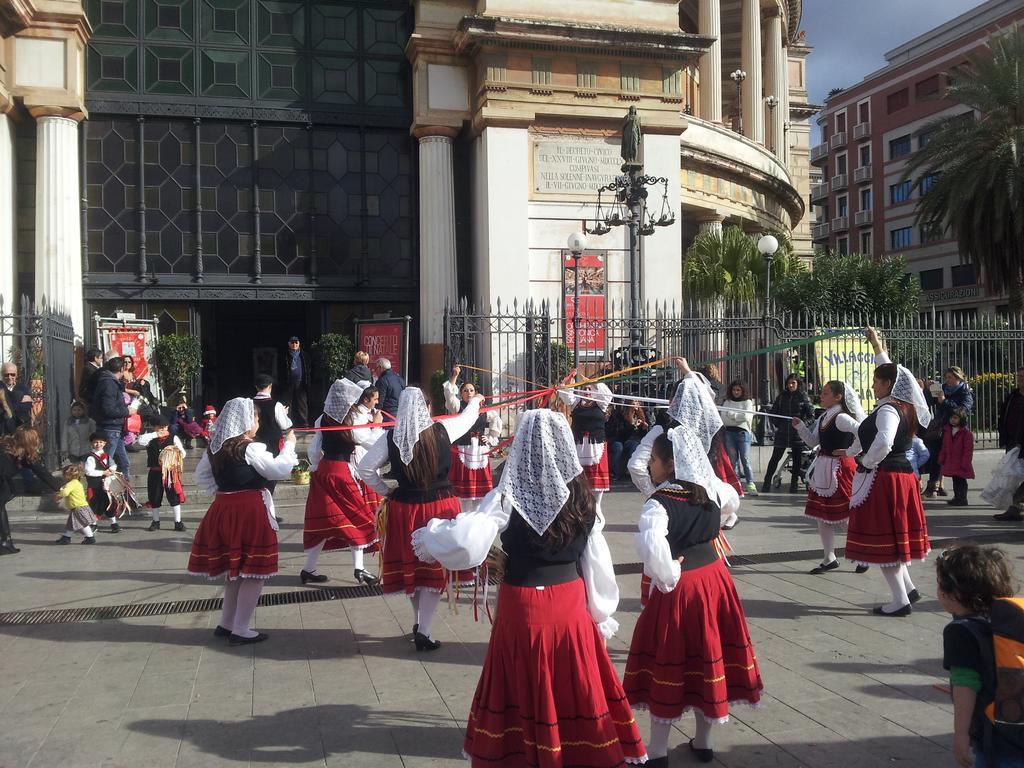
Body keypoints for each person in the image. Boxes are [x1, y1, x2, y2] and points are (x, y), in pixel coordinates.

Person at [410, 409, 647, 767]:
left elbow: (468, 543)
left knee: (521, 683)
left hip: (520, 604)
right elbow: (595, 562)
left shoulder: (506, 498)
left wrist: (431, 533)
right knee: (573, 684)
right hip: (569, 603)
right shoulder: (583, 499)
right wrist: (600, 612)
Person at [624, 364, 760, 766]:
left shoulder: (658, 504)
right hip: (715, 578)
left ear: (666, 464)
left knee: (670, 662)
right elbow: (731, 509)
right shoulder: (713, 490)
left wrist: (669, 575)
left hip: (680, 585)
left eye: (655, 462)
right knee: (706, 658)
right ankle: (704, 743)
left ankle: (659, 750)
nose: (650, 466)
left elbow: (657, 557)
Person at [355, 387, 485, 650]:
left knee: (413, 566)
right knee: (435, 567)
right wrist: (477, 401)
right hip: (440, 507)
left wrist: (386, 490)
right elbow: (468, 418)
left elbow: (365, 468)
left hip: (405, 507)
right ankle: (423, 629)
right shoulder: (442, 430)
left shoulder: (390, 437)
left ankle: (419, 623)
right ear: (426, 408)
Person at [188, 397, 298, 646]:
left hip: (223, 507)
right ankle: (241, 628)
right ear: (246, 421)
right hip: (249, 509)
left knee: (235, 572)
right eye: (257, 418)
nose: (258, 422)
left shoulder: (216, 447)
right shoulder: (250, 448)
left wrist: (225, 490)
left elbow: (202, 477)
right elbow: (279, 470)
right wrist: (289, 445)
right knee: (253, 572)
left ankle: (227, 623)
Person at [846, 327, 931, 616]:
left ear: (887, 385)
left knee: (884, 539)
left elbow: (884, 441)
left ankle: (899, 602)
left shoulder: (888, 410)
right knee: (894, 536)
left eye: (876, 382)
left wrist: (866, 462)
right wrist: (876, 343)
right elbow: (889, 368)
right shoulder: (901, 404)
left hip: (887, 477)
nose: (872, 386)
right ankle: (908, 589)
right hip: (900, 477)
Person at [937, 544, 1021, 768]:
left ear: (951, 594)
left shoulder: (961, 631)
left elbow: (966, 684)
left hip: (997, 736)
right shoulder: (1009, 617)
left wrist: (960, 735)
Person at [302, 378, 382, 586]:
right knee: (359, 517)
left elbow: (314, 449)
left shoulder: (323, 419)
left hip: (323, 471)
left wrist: (316, 466)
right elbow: (371, 441)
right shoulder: (353, 419)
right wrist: (377, 425)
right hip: (341, 471)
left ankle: (308, 569)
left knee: (322, 521)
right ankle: (359, 569)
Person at [793, 381, 866, 575]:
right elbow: (813, 441)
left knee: (843, 515)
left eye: (825, 393)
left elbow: (862, 431)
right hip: (824, 469)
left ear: (838, 397)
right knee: (822, 516)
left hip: (840, 469)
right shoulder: (825, 416)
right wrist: (800, 427)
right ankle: (829, 557)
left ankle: (863, 553)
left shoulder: (841, 418)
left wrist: (851, 451)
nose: (821, 395)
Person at [442, 366, 502, 513]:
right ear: (461, 394)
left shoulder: (483, 409)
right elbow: (449, 396)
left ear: (476, 393)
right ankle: (462, 514)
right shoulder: (457, 407)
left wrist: (490, 438)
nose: (468, 393)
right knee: (462, 488)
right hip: (462, 449)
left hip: (479, 451)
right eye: (465, 390)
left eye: (471, 390)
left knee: (480, 489)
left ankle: (479, 515)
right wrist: (454, 376)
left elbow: (496, 420)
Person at [0, 427, 61, 554]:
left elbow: (42, 473)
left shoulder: (21, 453)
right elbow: (43, 473)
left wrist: (61, 489)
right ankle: (5, 542)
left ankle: (5, 541)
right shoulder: (8, 451)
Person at [558, 378, 613, 515]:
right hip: (579, 448)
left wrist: (594, 382)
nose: (587, 391)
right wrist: (567, 382)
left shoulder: (600, 404)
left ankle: (596, 513)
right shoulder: (576, 403)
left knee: (596, 489)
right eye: (584, 388)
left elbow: (608, 394)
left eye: (590, 389)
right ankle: (580, 513)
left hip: (596, 448)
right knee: (579, 485)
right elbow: (565, 395)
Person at [923, 366, 975, 498]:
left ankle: (959, 495)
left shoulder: (965, 392)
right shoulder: (942, 389)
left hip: (956, 432)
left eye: (950, 378)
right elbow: (927, 402)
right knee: (936, 456)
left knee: (954, 460)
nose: (947, 380)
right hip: (941, 429)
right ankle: (933, 486)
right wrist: (928, 390)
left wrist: (944, 401)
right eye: (946, 377)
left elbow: (963, 410)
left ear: (958, 378)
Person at [761, 374, 814, 494]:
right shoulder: (782, 396)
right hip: (783, 432)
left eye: (793, 383)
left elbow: (811, 416)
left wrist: (802, 424)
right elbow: (773, 412)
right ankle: (766, 482)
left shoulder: (803, 396)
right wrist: (779, 424)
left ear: (798, 384)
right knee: (775, 458)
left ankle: (794, 485)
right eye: (789, 383)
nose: (790, 385)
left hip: (797, 433)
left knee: (796, 461)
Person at [137, 415, 187, 532]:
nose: (163, 430)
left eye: (164, 427)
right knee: (155, 496)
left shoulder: (173, 438)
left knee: (173, 496)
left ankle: (178, 522)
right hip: (155, 472)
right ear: (155, 428)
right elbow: (140, 440)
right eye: (159, 427)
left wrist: (174, 453)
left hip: (169, 472)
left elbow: (183, 453)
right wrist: (155, 434)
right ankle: (156, 521)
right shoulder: (150, 438)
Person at [90, 356, 132, 476]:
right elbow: (108, 409)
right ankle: (102, 491)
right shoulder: (109, 383)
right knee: (105, 463)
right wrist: (127, 411)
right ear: (122, 369)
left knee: (124, 463)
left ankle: (125, 490)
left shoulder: (110, 382)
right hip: (110, 428)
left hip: (115, 428)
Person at [253, 373, 293, 496]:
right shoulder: (276, 405)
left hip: (253, 443)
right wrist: (284, 413)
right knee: (270, 477)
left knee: (256, 474)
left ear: (256, 387)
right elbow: (285, 425)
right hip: (271, 444)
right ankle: (266, 507)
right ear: (270, 386)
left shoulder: (248, 403)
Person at [721, 380, 758, 495]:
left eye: (738, 390)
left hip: (743, 434)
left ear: (742, 391)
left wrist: (732, 415)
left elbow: (747, 417)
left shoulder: (747, 402)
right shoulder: (727, 402)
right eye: (734, 390)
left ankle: (750, 483)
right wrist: (738, 417)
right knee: (733, 460)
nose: (736, 392)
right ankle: (736, 483)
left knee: (745, 459)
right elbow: (724, 418)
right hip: (729, 433)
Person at [54, 464, 99, 545]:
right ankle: (66, 537)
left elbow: (65, 492)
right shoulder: (77, 483)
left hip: (78, 508)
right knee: (72, 524)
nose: (63, 477)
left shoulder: (71, 484)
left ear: (68, 476)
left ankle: (90, 537)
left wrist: (59, 496)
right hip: (80, 507)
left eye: (64, 475)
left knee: (83, 524)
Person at [940, 407, 975, 508]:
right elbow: (945, 446)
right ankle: (957, 497)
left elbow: (968, 450)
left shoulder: (966, 434)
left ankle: (962, 498)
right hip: (951, 460)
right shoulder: (947, 431)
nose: (953, 420)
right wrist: (942, 457)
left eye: (955, 418)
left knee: (961, 480)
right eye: (951, 418)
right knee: (955, 479)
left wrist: (966, 462)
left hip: (961, 461)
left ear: (961, 419)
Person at [83, 432, 117, 529]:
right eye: (95, 442)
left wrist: (111, 470)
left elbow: (113, 465)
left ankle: (114, 523)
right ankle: (94, 524)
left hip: (106, 486)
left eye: (101, 442)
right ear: (91, 444)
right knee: (94, 504)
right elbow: (89, 472)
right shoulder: (90, 457)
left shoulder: (106, 455)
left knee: (110, 503)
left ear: (105, 443)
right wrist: (103, 473)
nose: (98, 444)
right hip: (94, 486)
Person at [281, 336, 312, 427]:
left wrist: (308, 379)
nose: (294, 344)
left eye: (296, 342)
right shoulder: (285, 355)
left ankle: (304, 423)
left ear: (299, 343)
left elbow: (309, 368)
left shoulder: (304, 355)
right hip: (288, 382)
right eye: (292, 342)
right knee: (287, 403)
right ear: (289, 344)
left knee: (302, 403)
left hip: (301, 381)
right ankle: (286, 423)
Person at [0, 363, 33, 435]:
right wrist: (18, 401)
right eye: (6, 374)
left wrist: (8, 405)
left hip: (19, 428)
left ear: (16, 375)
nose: (9, 377)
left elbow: (28, 406)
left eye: (12, 374)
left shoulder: (22, 388)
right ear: (2, 375)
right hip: (3, 429)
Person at [997, 368, 1024, 451]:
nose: (1020, 378)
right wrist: (1003, 438)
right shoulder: (1011, 397)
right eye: (1018, 376)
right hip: (1012, 443)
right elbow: (1002, 418)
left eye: (1022, 376)